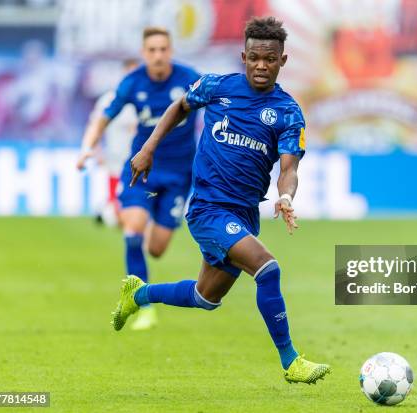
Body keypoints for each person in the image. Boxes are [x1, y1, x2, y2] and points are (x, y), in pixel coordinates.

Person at [112, 16, 330, 384]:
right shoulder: (216, 87)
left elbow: (289, 168)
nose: (262, 66)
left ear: (283, 61)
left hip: (244, 214)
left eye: (271, 59)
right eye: (255, 58)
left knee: (205, 297)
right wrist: (149, 147)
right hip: (208, 209)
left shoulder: (289, 112)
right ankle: (291, 361)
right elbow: (180, 106)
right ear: (243, 56)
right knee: (267, 268)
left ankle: (140, 293)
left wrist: (287, 197)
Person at [77, 27, 200, 330]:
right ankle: (143, 306)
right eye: (152, 50)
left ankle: (143, 279)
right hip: (141, 170)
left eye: (163, 49)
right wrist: (86, 148)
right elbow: (103, 117)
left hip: (178, 175)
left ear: (170, 51)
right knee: (133, 232)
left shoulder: (190, 79)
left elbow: (220, 107)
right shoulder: (133, 83)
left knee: (157, 248)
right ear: (145, 54)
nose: (158, 55)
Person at [86, 58, 139, 227]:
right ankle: (109, 210)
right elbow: (95, 125)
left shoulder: (146, 99)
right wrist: (96, 149)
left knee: (137, 203)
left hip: (140, 160)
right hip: (116, 158)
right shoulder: (109, 99)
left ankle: (107, 212)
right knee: (118, 206)